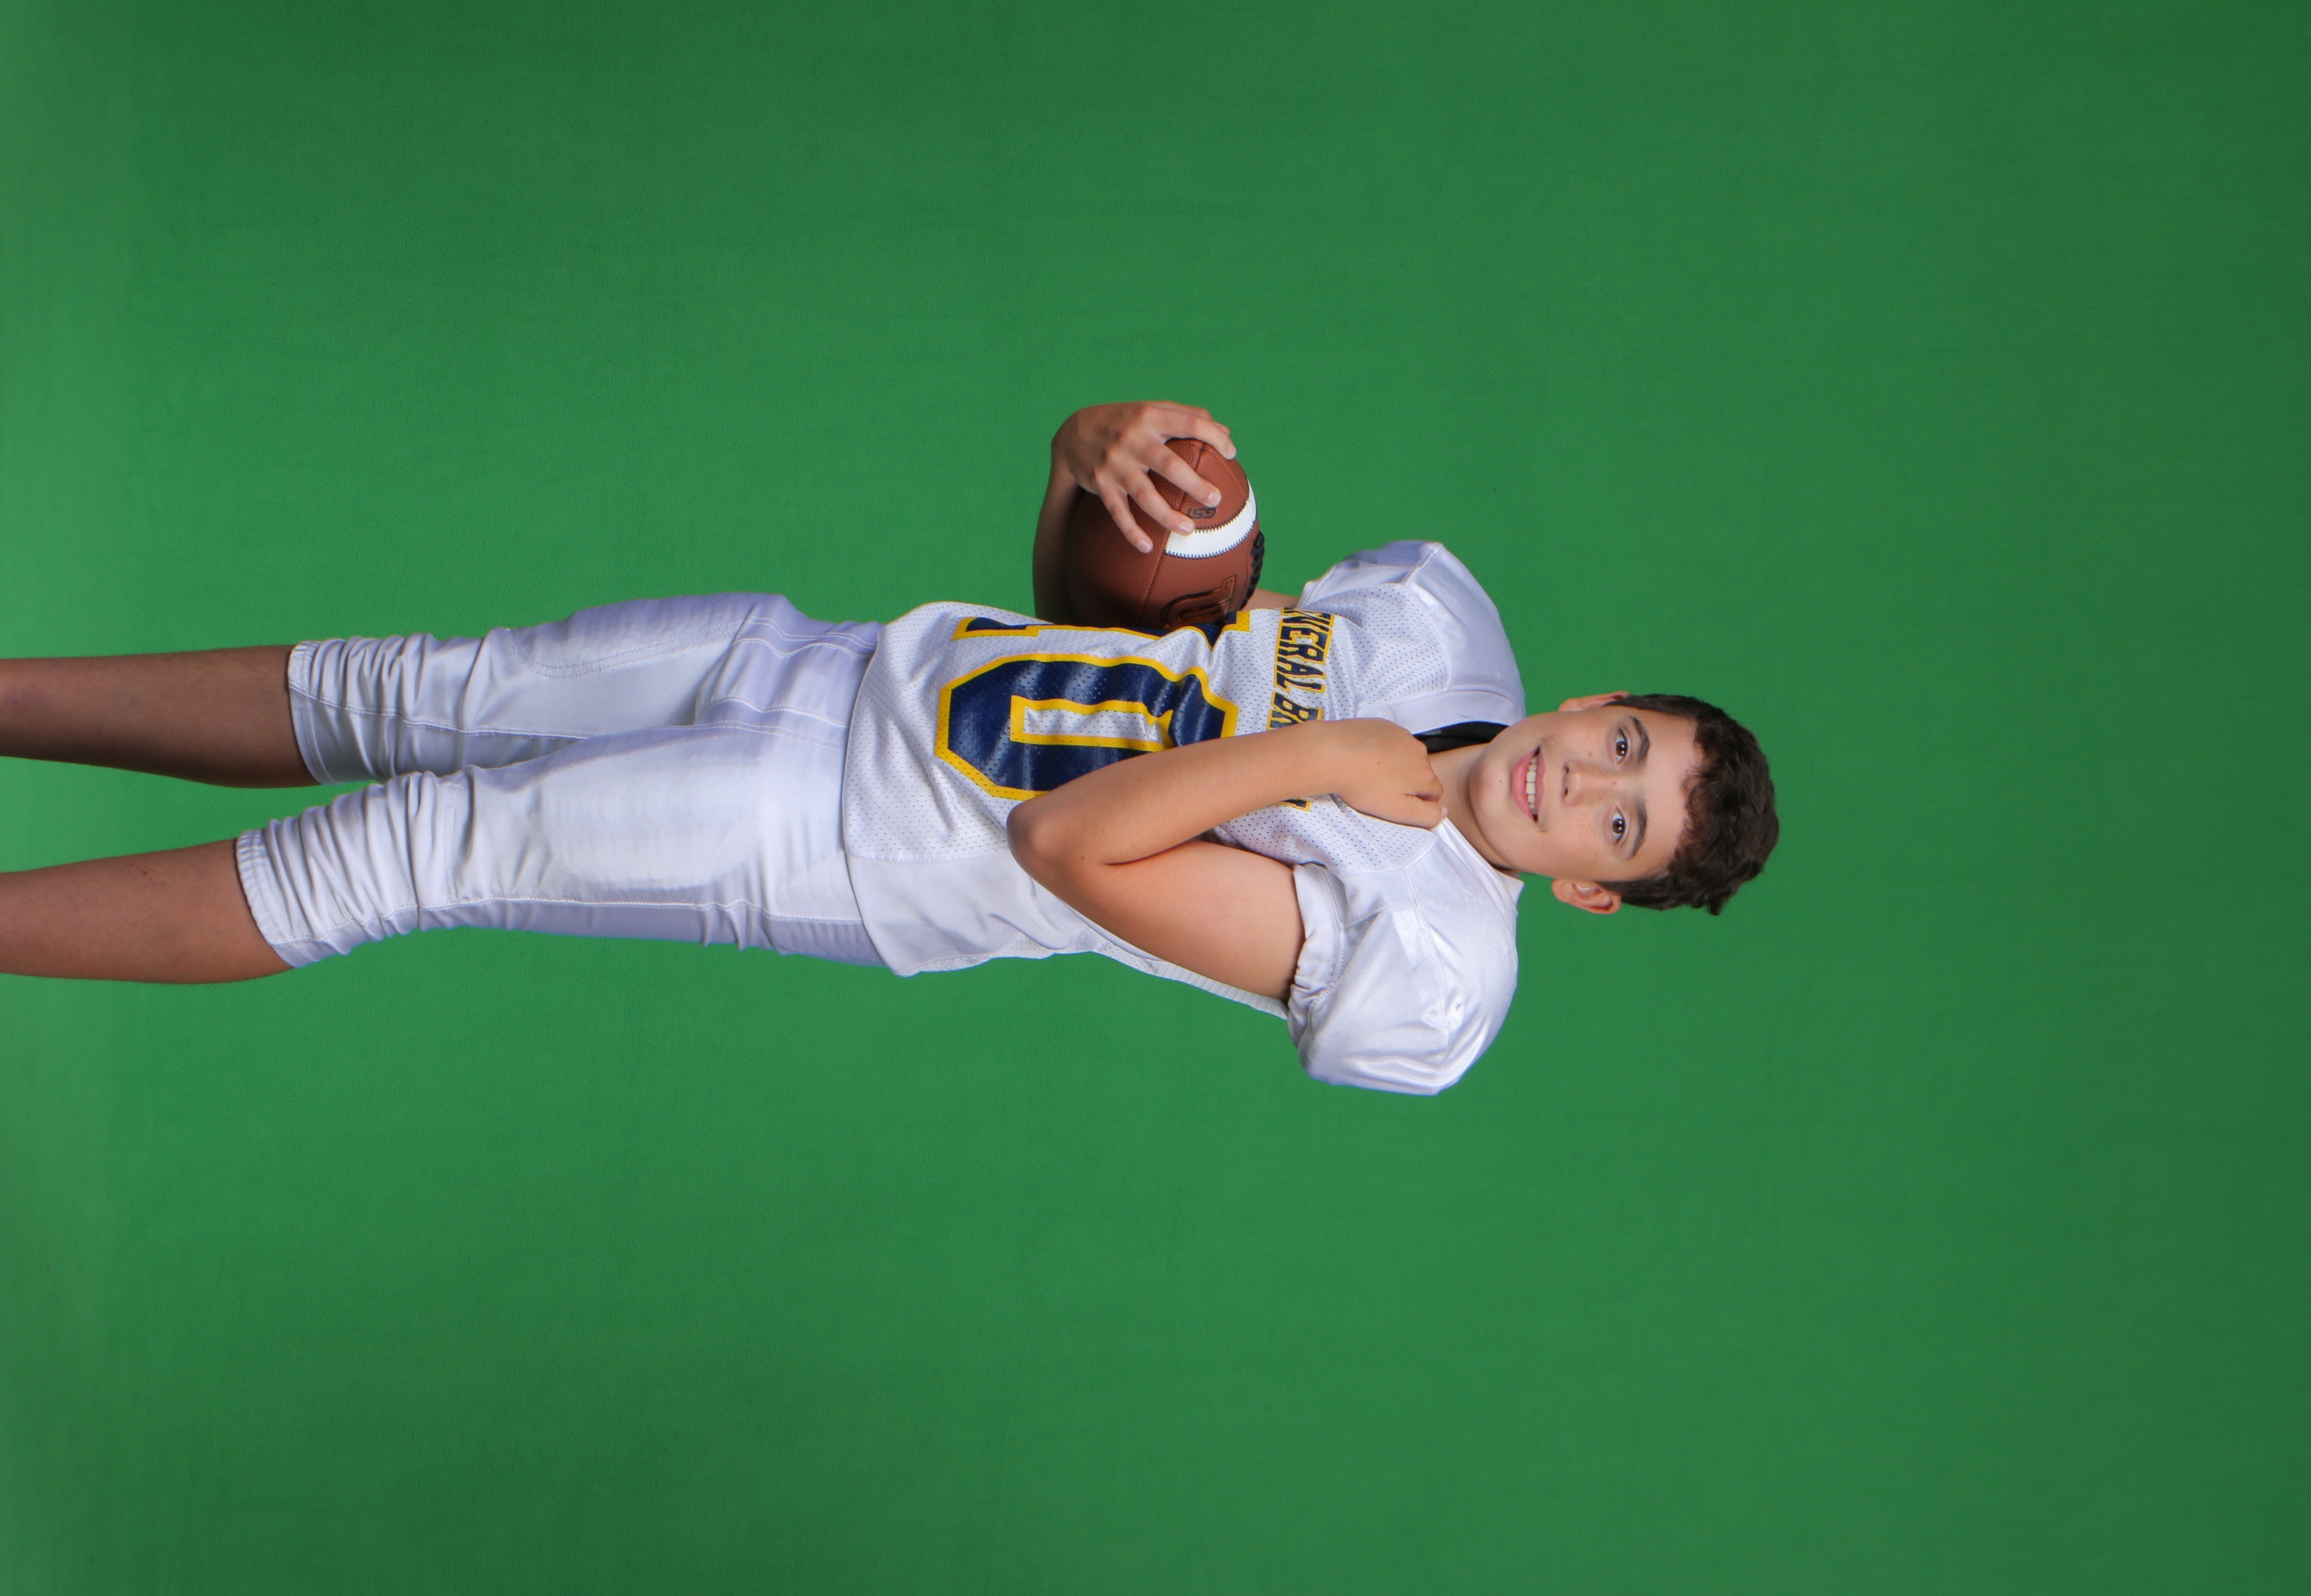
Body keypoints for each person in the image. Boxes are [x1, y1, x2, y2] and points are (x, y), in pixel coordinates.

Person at [0, 402, 1778, 1094]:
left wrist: (1325, 764)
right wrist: (1085, 473)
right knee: (405, 691)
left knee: (402, 851)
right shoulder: (1435, 627)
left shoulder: (1434, 964)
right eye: (1625, 742)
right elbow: (1117, 643)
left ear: (1593, 893)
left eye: (1620, 827)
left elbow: (1069, 847)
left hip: (852, 837)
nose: (1585, 784)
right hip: (849, 661)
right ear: (1599, 694)